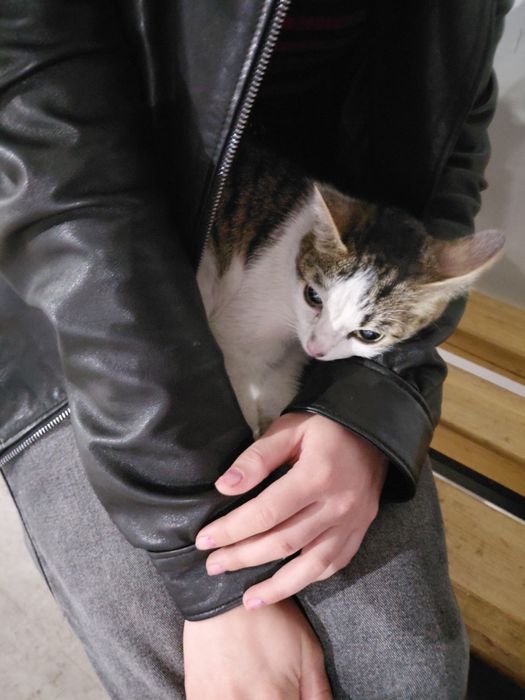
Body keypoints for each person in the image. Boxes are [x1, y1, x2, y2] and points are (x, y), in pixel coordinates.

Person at [0, 1, 510, 698]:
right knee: (187, 671)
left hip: (335, 242)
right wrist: (206, 572)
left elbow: (450, 152)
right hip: (77, 286)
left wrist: (371, 408)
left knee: (409, 671)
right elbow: (46, 160)